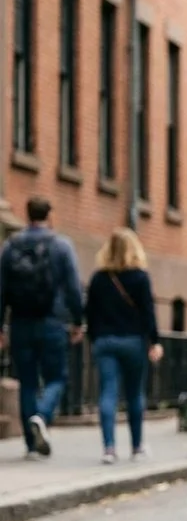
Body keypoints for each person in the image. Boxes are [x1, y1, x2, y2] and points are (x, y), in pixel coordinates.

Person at [0, 197, 85, 459]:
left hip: (21, 323)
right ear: (49, 216)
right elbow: (73, 288)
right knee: (56, 378)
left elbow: (1, 290)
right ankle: (43, 417)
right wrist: (78, 320)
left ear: (27, 215)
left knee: (26, 381)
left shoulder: (10, 246)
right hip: (52, 322)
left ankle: (30, 444)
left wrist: (1, 326)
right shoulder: (61, 246)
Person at [85, 228, 163, 464]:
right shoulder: (140, 277)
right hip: (133, 342)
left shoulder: (99, 279)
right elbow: (148, 312)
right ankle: (137, 447)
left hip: (106, 342)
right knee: (134, 394)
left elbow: (89, 312)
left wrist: (95, 338)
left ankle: (109, 448)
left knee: (107, 393)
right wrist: (155, 341)